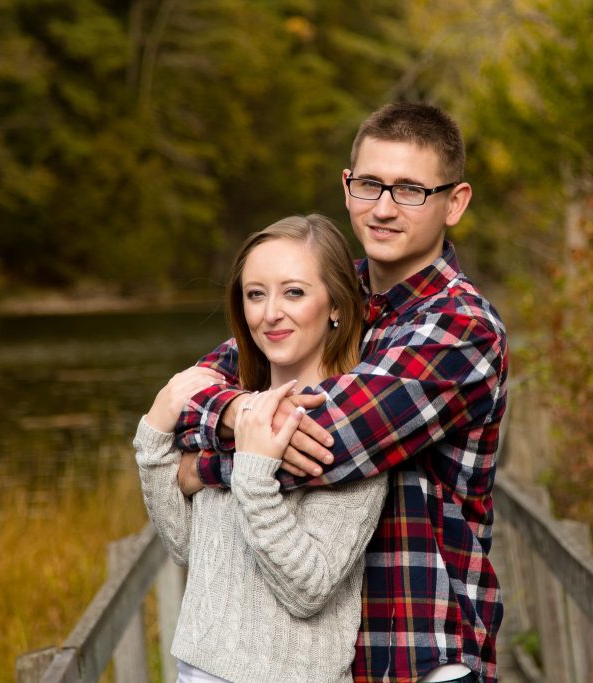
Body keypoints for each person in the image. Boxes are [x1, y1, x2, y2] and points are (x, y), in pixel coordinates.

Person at [175, 103, 509, 683]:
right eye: (371, 184)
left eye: (410, 191)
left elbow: (330, 439)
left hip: (420, 654)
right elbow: (197, 387)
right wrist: (230, 411)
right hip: (323, 658)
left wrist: (198, 468)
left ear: (454, 202)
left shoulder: (462, 329)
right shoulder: (326, 291)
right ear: (347, 185)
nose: (382, 208)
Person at [134, 215, 389, 683]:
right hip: (197, 669)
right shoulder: (233, 414)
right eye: (256, 294)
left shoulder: (349, 429)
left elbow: (308, 589)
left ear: (335, 304)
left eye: (293, 292)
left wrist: (253, 475)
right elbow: (184, 545)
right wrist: (154, 432)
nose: (270, 313)